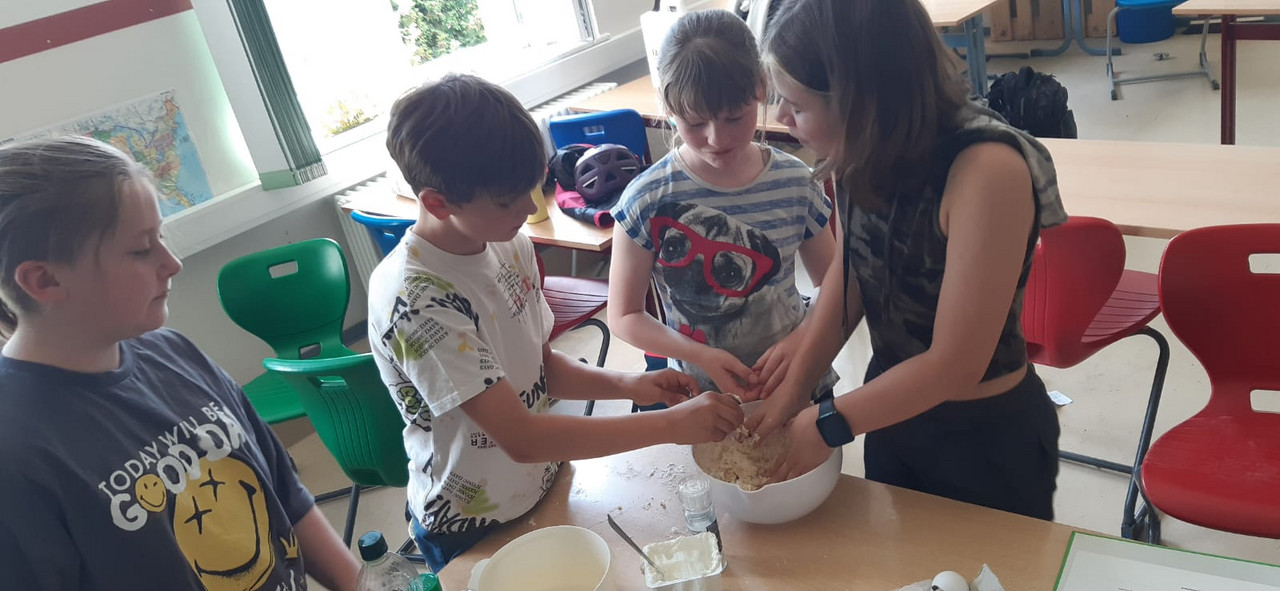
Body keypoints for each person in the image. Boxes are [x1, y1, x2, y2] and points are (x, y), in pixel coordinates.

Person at [370, 73, 745, 572]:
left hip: (543, 484)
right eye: (507, 201)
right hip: (470, 522)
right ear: (437, 202)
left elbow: (539, 366)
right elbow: (523, 438)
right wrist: (670, 425)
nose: (530, 209)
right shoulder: (417, 300)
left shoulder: (509, 243)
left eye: (531, 188)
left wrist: (632, 385)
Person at [750, 0, 1068, 521]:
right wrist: (794, 391)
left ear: (862, 100)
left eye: (796, 105)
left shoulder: (987, 169)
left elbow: (956, 364)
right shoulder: (858, 146)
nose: (782, 118)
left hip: (984, 436)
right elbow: (850, 276)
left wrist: (830, 421)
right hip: (891, 408)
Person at [0, 136, 359, 590]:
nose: (172, 264)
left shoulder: (175, 352)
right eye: (140, 249)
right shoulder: (16, 454)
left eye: (162, 238)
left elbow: (287, 496)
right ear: (44, 279)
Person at [608, 9, 839, 407]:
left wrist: (802, 338)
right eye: (696, 123)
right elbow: (624, 315)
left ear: (761, 87)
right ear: (668, 106)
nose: (716, 139)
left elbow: (835, 283)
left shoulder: (796, 182)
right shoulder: (646, 199)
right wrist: (700, 355)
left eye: (734, 117)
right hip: (703, 399)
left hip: (800, 384)